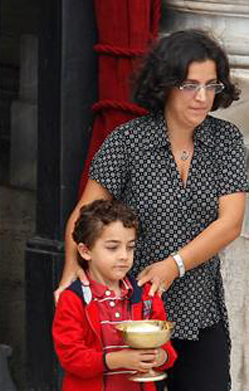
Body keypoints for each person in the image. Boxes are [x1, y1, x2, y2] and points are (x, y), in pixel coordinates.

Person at [54, 29, 247, 391]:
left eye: (211, 85)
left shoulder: (227, 141)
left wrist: (174, 265)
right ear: (166, 85)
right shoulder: (128, 141)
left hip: (200, 309)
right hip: (131, 312)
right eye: (190, 85)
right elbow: (84, 213)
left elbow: (231, 224)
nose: (202, 97)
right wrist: (71, 273)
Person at [53, 199, 176, 390]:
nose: (124, 256)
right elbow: (71, 358)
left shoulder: (146, 295)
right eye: (112, 247)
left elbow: (168, 353)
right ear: (85, 251)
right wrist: (118, 360)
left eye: (130, 247)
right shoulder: (73, 299)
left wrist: (160, 357)